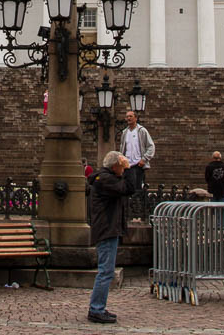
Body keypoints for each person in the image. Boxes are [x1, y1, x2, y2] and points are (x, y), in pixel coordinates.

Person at [87, 151, 134, 325]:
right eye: (121, 167)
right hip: (106, 230)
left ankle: (98, 307)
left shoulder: (105, 179)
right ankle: (96, 309)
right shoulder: (106, 180)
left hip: (108, 229)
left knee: (106, 271)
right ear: (115, 166)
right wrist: (129, 169)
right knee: (105, 272)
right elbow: (128, 188)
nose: (123, 170)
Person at [119, 110, 155, 191]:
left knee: (137, 188)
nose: (128, 118)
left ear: (136, 118)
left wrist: (144, 159)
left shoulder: (142, 131)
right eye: (127, 116)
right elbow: (122, 148)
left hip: (138, 164)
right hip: (127, 165)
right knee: (127, 187)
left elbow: (151, 146)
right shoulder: (124, 132)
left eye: (130, 116)